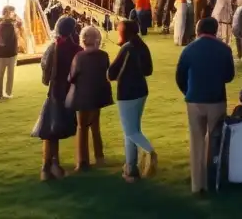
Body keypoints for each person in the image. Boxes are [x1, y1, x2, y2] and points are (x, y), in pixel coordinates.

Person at [176, 16, 236, 197]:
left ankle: (197, 184)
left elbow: (179, 75)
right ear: (215, 30)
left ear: (198, 30)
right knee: (215, 140)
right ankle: (213, 179)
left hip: (194, 99)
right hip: (216, 99)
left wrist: (188, 91)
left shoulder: (189, 49)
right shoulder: (224, 49)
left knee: (197, 141)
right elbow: (229, 76)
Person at [108, 19, 157, 183]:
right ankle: (131, 168)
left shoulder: (127, 48)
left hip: (127, 93)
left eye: (119, 30)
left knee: (130, 131)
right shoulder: (142, 45)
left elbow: (111, 73)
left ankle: (150, 151)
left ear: (125, 32)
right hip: (141, 91)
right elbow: (148, 70)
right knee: (131, 130)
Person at [33, 15, 81, 180]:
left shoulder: (52, 48)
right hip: (69, 93)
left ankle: (49, 166)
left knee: (50, 130)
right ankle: (51, 166)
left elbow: (45, 72)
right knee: (55, 129)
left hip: (54, 92)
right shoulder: (76, 50)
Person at [67, 25, 114, 172]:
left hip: (83, 96)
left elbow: (72, 77)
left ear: (83, 40)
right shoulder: (104, 55)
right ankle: (99, 157)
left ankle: (82, 161)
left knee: (82, 127)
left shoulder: (79, 57)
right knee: (95, 126)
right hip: (98, 95)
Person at [0, 5, 20, 100]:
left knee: (6, 74)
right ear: (7, 12)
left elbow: (20, 23)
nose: (13, 14)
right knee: (1, 74)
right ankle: (0, 94)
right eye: (12, 12)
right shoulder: (1, 22)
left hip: (9, 52)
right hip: (3, 52)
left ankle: (5, 93)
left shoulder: (13, 22)